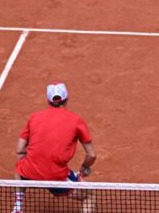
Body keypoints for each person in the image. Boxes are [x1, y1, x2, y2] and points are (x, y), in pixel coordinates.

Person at [12, 82, 97, 213]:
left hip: (30, 174)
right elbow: (91, 155)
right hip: (57, 177)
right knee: (90, 194)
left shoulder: (34, 117)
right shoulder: (76, 120)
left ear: (48, 100)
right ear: (67, 98)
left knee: (20, 166)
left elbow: (20, 149)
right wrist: (85, 168)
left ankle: (18, 205)